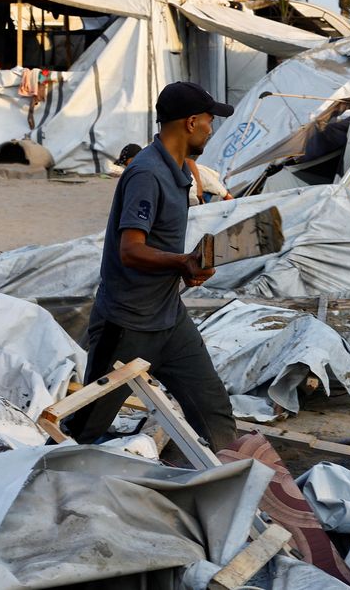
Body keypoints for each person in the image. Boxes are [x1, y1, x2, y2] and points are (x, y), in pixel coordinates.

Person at [65, 81, 238, 452]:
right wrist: (181, 261)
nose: (211, 128)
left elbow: (160, 249)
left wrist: (188, 267)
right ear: (191, 123)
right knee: (85, 427)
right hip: (127, 325)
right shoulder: (147, 173)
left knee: (214, 411)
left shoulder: (180, 171)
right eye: (209, 121)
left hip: (169, 318)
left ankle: (231, 487)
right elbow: (131, 249)